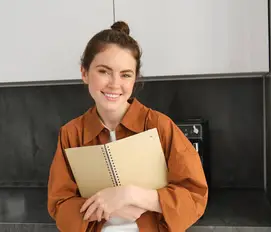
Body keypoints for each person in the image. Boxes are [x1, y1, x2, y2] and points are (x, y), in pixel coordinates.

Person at [47, 21, 208, 232]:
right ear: (84, 73)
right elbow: (60, 205)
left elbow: (195, 198)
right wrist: (108, 207)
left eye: (125, 74)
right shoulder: (71, 134)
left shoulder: (160, 126)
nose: (114, 83)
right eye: (104, 71)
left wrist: (132, 196)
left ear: (135, 79)